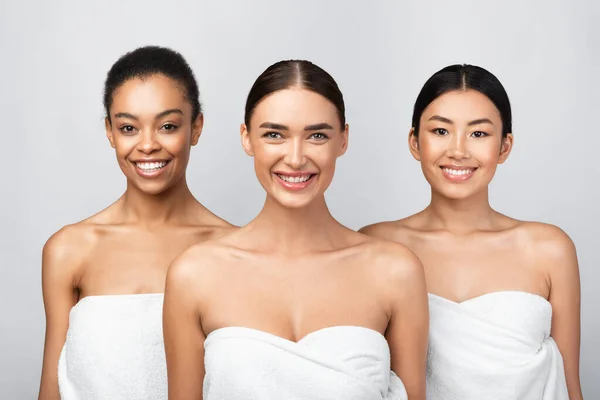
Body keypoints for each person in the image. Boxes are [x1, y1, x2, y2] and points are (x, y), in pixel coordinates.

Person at [162, 59, 429, 400]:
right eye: (274, 135)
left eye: (317, 135)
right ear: (247, 139)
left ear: (343, 140)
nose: (296, 157)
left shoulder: (395, 271)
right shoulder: (194, 274)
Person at [360, 64, 582, 400]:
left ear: (504, 147)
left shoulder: (549, 249)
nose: (459, 150)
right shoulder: (377, 244)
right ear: (415, 142)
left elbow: (568, 386)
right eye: (440, 131)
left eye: (478, 134)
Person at [38, 46, 235, 400]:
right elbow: (51, 389)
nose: (147, 145)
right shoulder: (69, 249)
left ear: (196, 127)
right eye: (128, 127)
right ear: (110, 133)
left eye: (168, 126)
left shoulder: (234, 250)